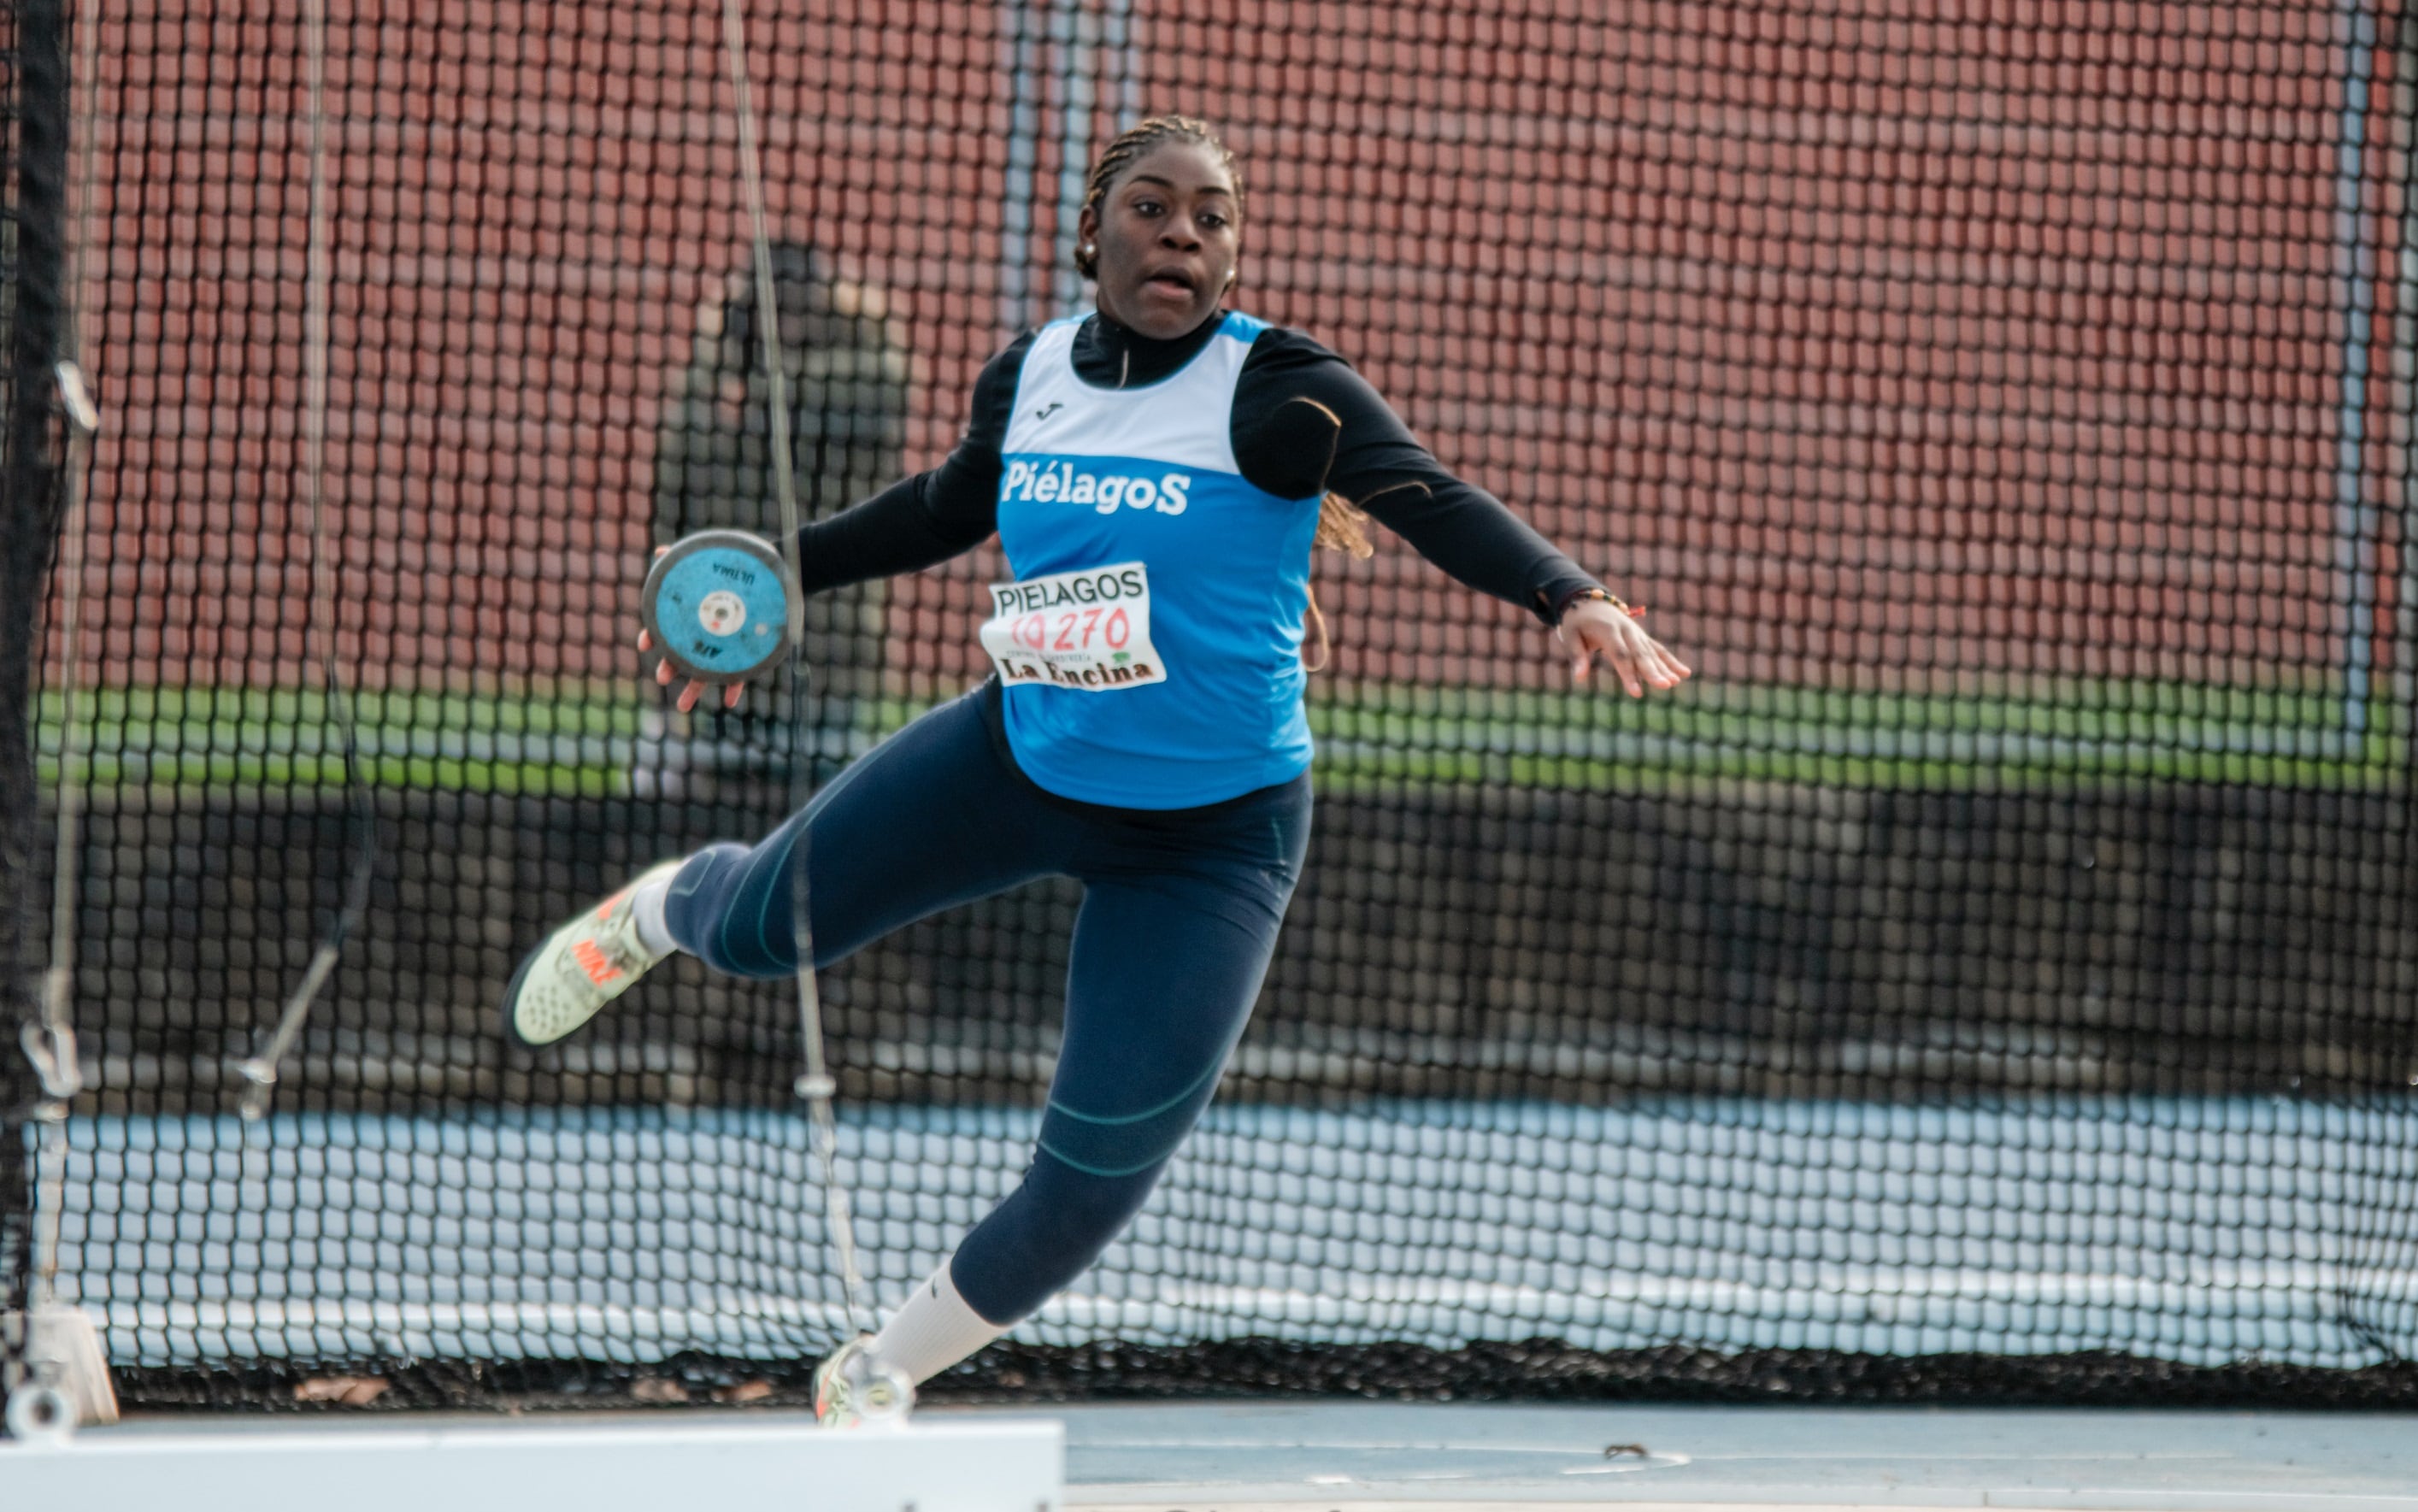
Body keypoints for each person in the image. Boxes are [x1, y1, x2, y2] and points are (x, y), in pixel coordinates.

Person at [498, 115, 1691, 1422]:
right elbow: (945, 510)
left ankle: (875, 1373)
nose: (1182, 229)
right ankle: (656, 907)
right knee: (755, 933)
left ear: (1230, 255)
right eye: (1151, 205)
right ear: (1093, 231)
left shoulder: (1282, 390)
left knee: (1094, 1176)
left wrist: (1567, 593)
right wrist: (777, 576)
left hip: (1212, 841)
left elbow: (1430, 495)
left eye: (1211, 215)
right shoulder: (1032, 377)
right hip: (1016, 754)